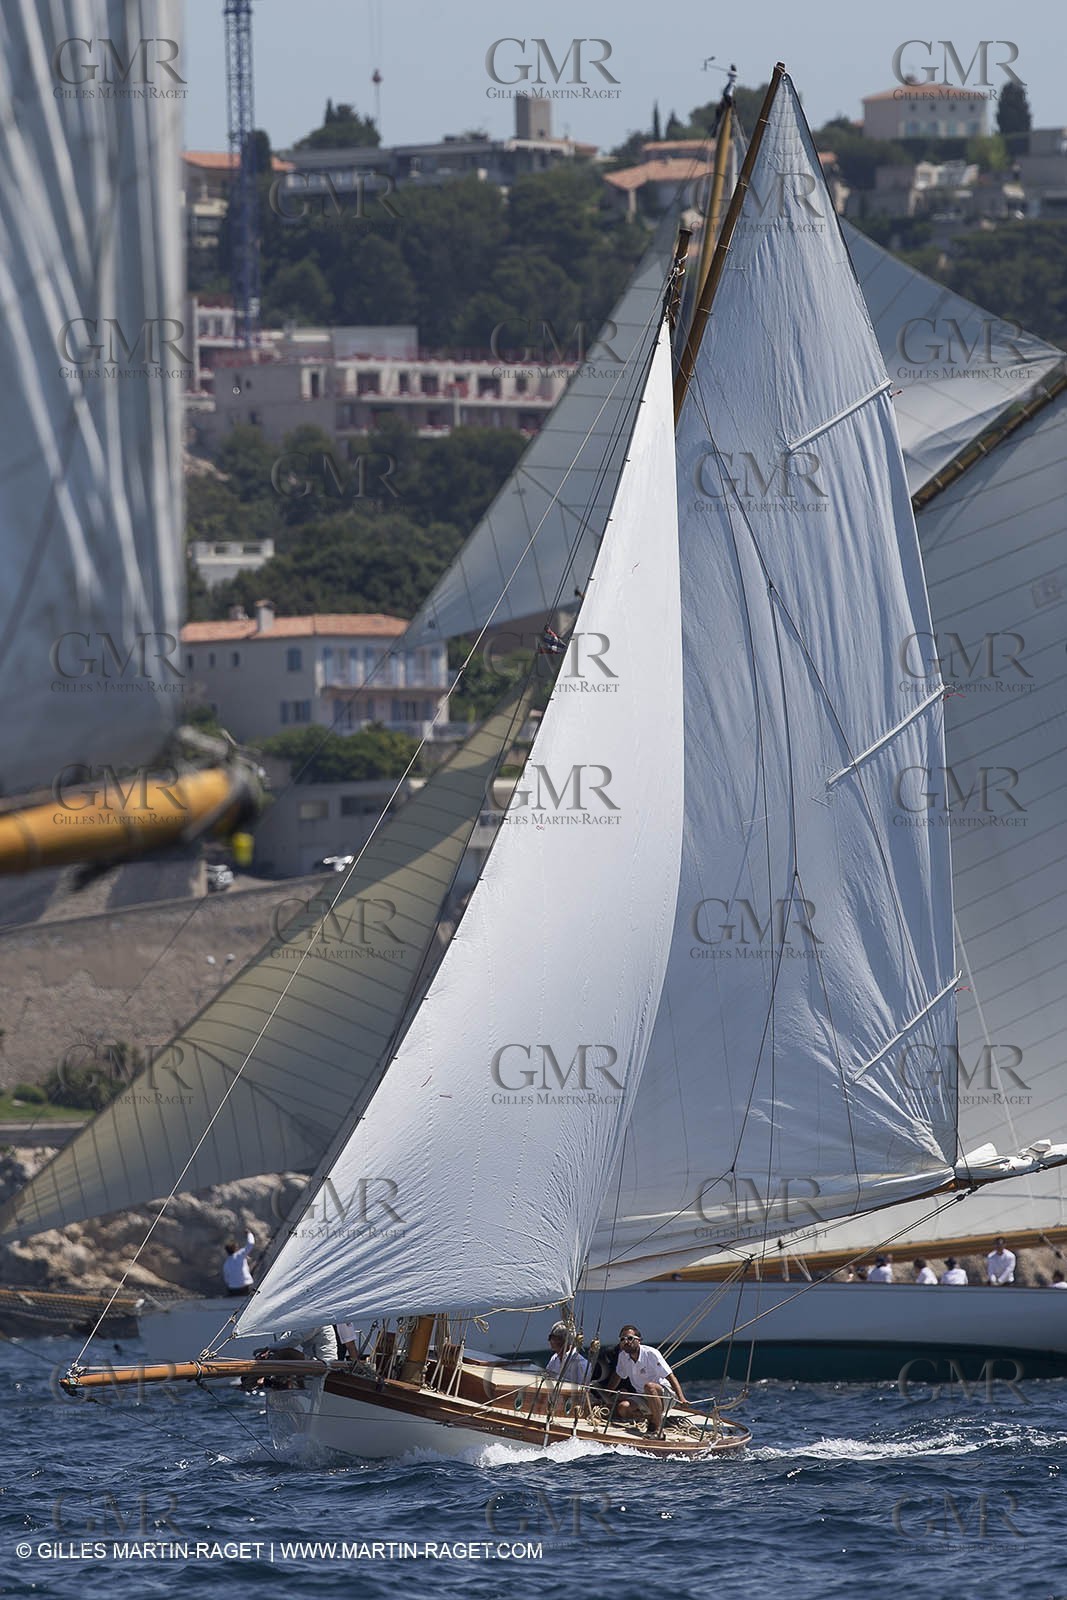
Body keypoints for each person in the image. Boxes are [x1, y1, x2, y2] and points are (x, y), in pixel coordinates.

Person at [603, 1324, 686, 1439]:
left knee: (649, 1386)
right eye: (622, 1339)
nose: (626, 1341)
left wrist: (681, 1398)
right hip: (643, 1395)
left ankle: (658, 1429)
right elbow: (618, 1375)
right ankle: (651, 1417)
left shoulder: (651, 1353)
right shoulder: (623, 1356)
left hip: (664, 1395)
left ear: (639, 1340)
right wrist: (606, 1396)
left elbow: (671, 1376)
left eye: (630, 1338)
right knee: (622, 1408)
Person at [222, 1229, 256, 1295]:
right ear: (236, 1248)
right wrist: (249, 1233)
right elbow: (250, 1244)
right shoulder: (240, 1254)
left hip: (233, 1289)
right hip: (246, 1287)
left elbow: (227, 1279)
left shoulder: (226, 1264)